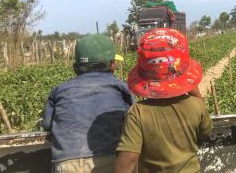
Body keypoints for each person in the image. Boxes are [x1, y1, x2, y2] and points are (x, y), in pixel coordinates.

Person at [114, 28, 212, 173]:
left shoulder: (138, 113)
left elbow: (128, 160)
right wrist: (196, 94)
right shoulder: (197, 105)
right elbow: (205, 134)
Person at [42, 34, 135, 173]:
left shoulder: (59, 90)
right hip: (108, 159)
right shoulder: (121, 88)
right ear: (113, 65)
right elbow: (133, 122)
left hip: (67, 162)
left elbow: (47, 125)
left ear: (75, 67)